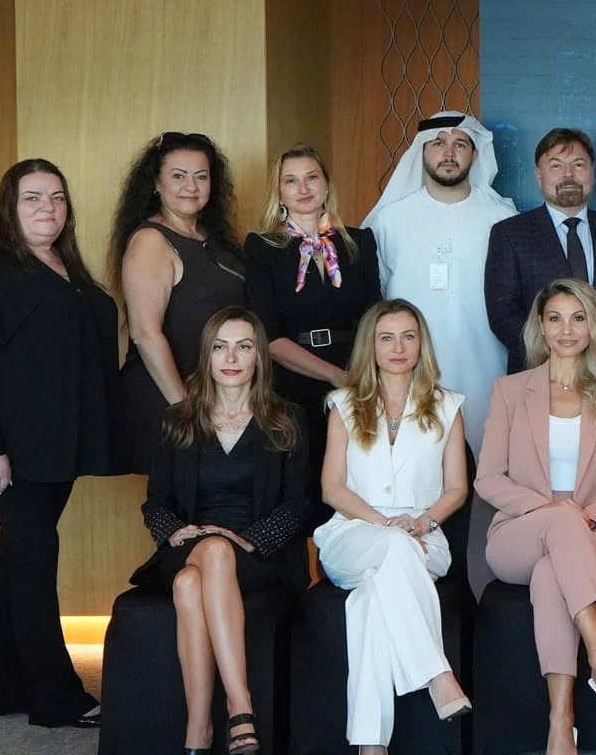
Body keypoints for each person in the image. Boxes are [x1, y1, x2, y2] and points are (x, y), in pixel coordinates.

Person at [0, 159, 121, 729]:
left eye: (58, 197)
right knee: (35, 560)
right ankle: (56, 698)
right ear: (9, 207)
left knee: (21, 560)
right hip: (11, 451)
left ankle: (3, 687)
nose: (48, 208)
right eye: (33, 198)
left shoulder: (65, 265)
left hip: (55, 447)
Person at [473, 279, 596, 755]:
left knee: (555, 571)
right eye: (555, 318)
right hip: (518, 533)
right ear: (541, 327)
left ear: (594, 325)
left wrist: (583, 517)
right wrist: (553, 512)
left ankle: (560, 721)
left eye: (577, 317)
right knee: (557, 529)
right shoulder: (510, 392)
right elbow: (488, 479)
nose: (566, 329)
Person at [134, 307, 311, 755]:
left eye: (244, 347)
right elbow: (155, 502)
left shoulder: (288, 420)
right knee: (206, 555)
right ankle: (240, 709)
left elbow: (300, 504)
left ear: (259, 357)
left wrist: (250, 539)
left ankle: (199, 735)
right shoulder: (177, 420)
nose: (231, 358)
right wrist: (175, 532)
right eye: (220, 347)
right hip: (189, 545)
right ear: (207, 356)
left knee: (191, 585)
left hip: (257, 554)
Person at [310, 300, 473, 755]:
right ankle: (436, 674)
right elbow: (332, 488)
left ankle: (371, 742)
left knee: (371, 601)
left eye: (408, 336)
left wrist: (421, 523)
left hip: (424, 536)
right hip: (353, 533)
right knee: (393, 550)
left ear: (421, 344)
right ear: (371, 346)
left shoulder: (449, 406)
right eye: (386, 337)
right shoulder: (343, 405)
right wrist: (384, 523)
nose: (398, 347)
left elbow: (457, 489)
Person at [363, 112, 519, 450]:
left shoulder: (502, 218)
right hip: (409, 366)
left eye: (459, 144)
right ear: (422, 152)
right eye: (438, 143)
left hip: (486, 364)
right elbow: (377, 298)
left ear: (475, 154)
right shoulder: (390, 219)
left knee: (486, 452)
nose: (448, 153)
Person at [244, 145, 382, 526]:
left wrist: (358, 377)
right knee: (301, 491)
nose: (302, 189)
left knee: (355, 486)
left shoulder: (359, 241)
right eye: (291, 181)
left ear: (326, 185)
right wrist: (335, 376)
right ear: (279, 191)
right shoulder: (262, 248)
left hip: (357, 377)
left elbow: (374, 317)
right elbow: (268, 336)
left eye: (311, 178)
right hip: (293, 381)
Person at [111, 132, 248, 474]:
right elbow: (145, 333)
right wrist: (186, 410)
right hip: (172, 400)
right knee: (181, 503)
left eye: (201, 176)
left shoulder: (216, 240)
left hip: (217, 399)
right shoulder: (151, 241)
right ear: (156, 184)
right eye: (178, 175)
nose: (191, 186)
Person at [485, 126, 596, 367]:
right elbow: (502, 313)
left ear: (592, 172)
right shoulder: (509, 234)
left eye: (578, 164)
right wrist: (557, 361)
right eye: (556, 165)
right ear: (539, 175)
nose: (568, 174)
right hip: (537, 373)